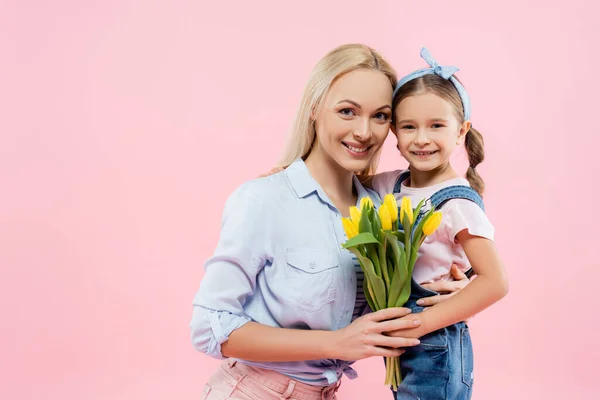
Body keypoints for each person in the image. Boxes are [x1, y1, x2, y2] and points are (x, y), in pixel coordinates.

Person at [190, 44, 426, 400]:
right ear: (314, 108)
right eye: (347, 111)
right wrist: (336, 343)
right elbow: (209, 328)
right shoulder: (264, 200)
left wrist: (453, 287)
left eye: (380, 116)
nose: (364, 131)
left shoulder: (381, 209)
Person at [372, 48, 509, 399]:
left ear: (461, 130)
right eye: (409, 126)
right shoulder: (392, 185)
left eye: (436, 125)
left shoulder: (457, 202)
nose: (421, 138)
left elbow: (495, 281)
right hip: (406, 342)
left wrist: (421, 323)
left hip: (437, 342)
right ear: (394, 133)